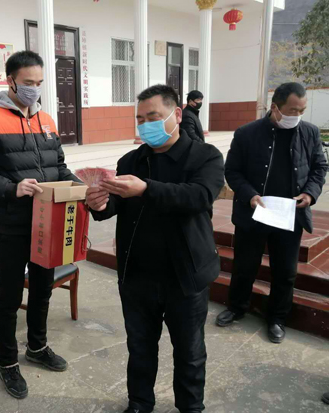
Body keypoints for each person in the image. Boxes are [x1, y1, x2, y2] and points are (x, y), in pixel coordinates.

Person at [86, 85, 224, 413]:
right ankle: (139, 402)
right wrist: (98, 204)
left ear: (176, 114)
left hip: (185, 276)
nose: (145, 125)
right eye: (140, 119)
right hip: (138, 275)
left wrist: (146, 189)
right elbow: (116, 204)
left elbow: (199, 196)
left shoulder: (205, 156)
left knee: (190, 351)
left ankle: (191, 407)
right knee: (140, 346)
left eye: (153, 117)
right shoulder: (131, 160)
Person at [0, 50, 79, 399]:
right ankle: (8, 362)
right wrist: (12, 188)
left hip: (47, 223)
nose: (34, 89)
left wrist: (79, 187)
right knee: (10, 296)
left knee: (42, 290)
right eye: (28, 83)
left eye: (39, 83)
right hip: (12, 224)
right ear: (9, 80)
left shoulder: (47, 120)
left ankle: (37, 347)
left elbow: (58, 166)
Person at [216, 82, 327, 343]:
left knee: (285, 271)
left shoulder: (309, 132)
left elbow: (319, 168)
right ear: (275, 107)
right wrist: (249, 195)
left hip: (289, 214)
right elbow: (232, 170)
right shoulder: (247, 133)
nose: (297, 115)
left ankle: (277, 318)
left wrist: (310, 193)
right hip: (254, 212)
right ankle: (237, 307)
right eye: (292, 110)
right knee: (244, 265)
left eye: (302, 110)